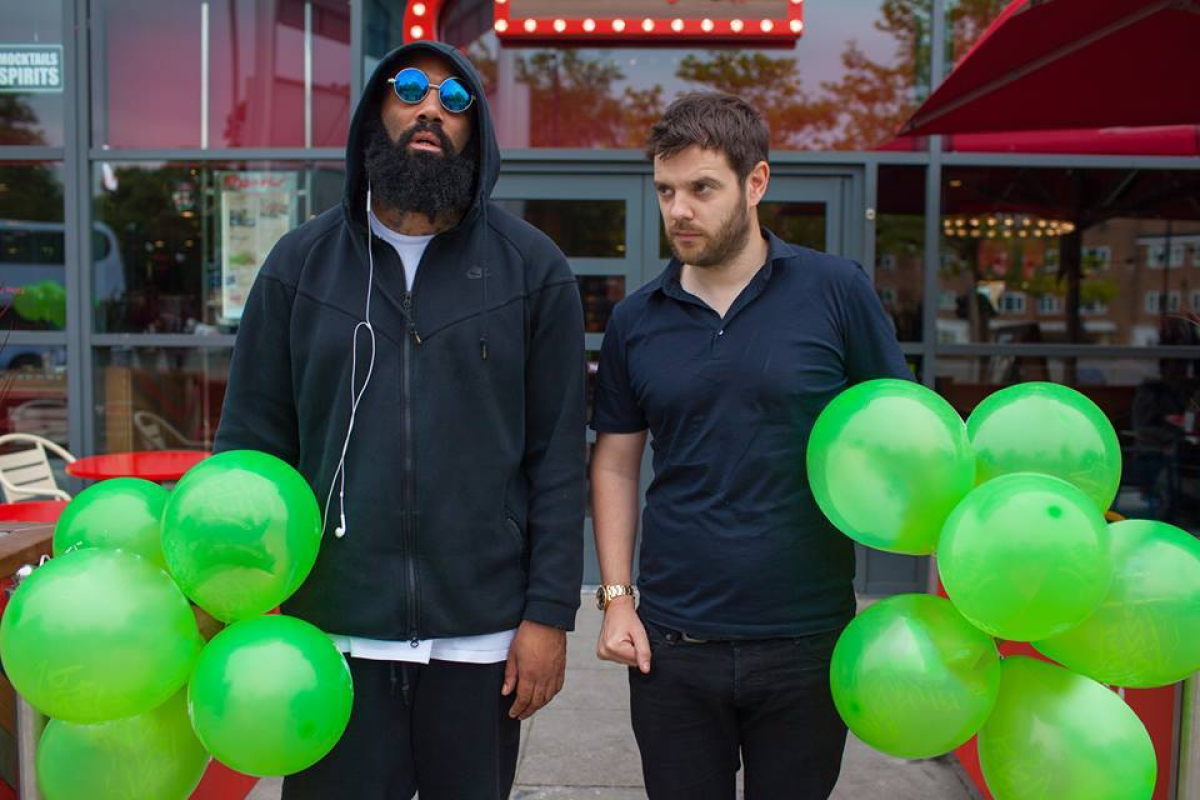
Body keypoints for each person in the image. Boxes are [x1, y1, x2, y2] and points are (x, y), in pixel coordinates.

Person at [214, 41, 585, 800]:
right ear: (374, 112)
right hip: (331, 638)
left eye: (456, 103)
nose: (430, 110)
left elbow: (556, 458)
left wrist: (549, 615)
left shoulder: (532, 269)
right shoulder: (298, 265)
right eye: (410, 89)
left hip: (481, 641)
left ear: (474, 134)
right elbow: (250, 449)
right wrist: (232, 600)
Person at [590, 92, 910, 799]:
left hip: (807, 640)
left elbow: (902, 431)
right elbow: (615, 461)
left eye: (702, 188)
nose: (679, 210)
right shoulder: (636, 318)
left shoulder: (835, 291)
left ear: (756, 182)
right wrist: (617, 598)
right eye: (666, 190)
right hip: (672, 646)